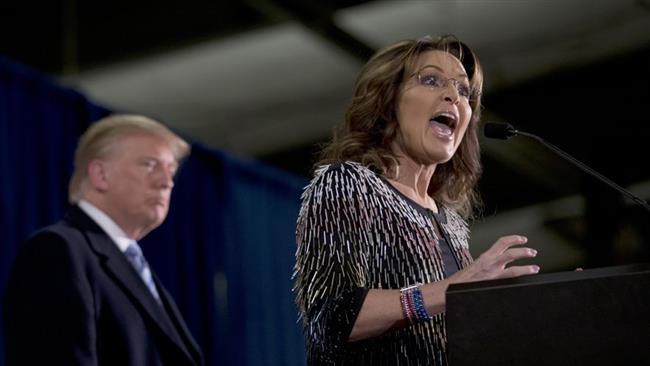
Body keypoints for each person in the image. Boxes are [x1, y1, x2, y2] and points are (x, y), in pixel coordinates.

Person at [293, 35, 540, 365]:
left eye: (464, 91)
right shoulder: (347, 185)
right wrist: (450, 290)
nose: (453, 95)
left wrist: (547, 313)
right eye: (431, 80)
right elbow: (332, 319)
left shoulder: (450, 223)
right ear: (388, 100)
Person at [4, 114, 203, 366]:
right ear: (100, 174)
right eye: (150, 164)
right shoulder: (57, 251)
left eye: (171, 170)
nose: (167, 183)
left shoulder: (134, 265)